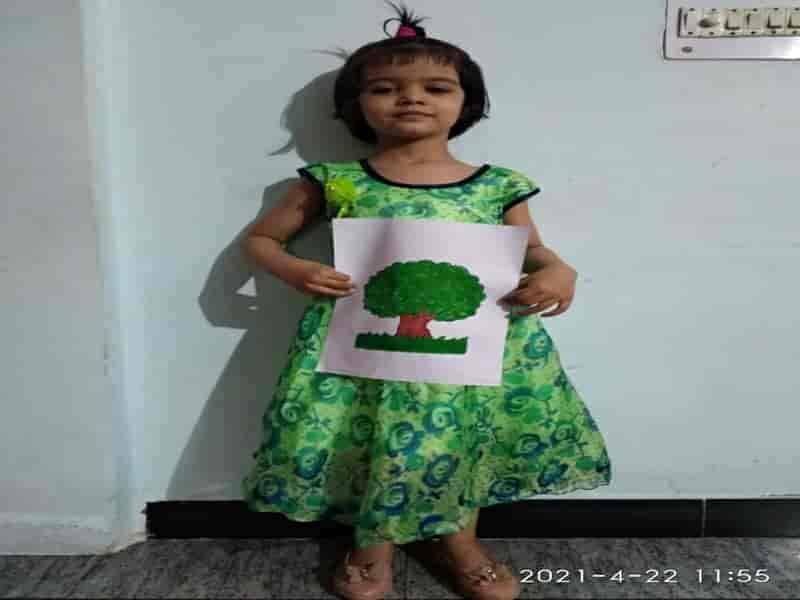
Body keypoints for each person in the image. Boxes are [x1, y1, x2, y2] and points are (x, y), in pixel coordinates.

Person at [240, 2, 612, 599]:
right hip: (361, 349)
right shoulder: (335, 180)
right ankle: (372, 543)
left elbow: (534, 251)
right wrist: (295, 269)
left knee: (461, 440)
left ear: (467, 103)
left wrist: (560, 272)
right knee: (372, 438)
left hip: (476, 348)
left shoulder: (498, 185)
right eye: (385, 88)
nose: (411, 98)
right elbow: (261, 240)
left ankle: (460, 542)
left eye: (436, 87)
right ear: (355, 104)